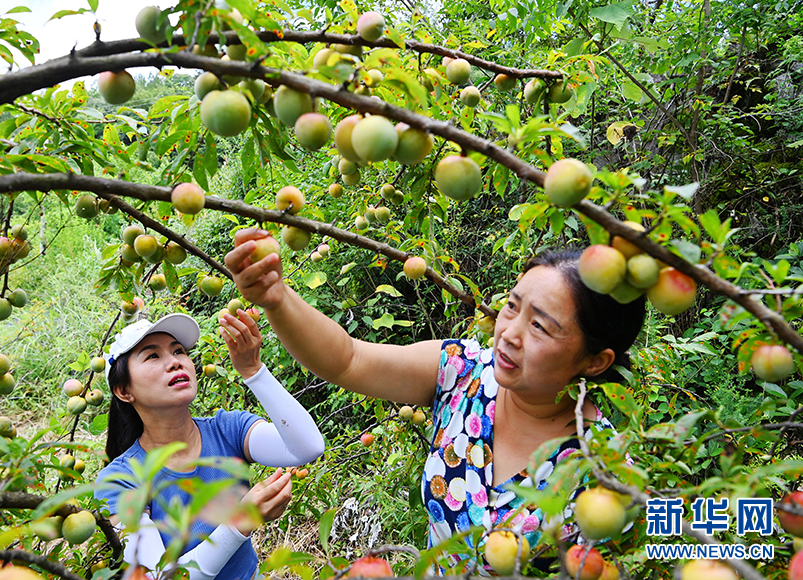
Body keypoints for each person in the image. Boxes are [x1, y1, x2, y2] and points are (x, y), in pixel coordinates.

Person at [224, 229, 646, 574]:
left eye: (539, 326)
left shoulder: (602, 477)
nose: (510, 333)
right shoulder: (462, 372)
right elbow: (347, 359)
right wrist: (276, 297)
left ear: (595, 361)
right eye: (511, 308)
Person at [95, 310, 325, 580]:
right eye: (153, 355)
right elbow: (160, 576)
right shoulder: (121, 479)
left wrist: (254, 372)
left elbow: (307, 447)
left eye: (179, 351)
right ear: (124, 391)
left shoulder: (227, 429)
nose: (175, 362)